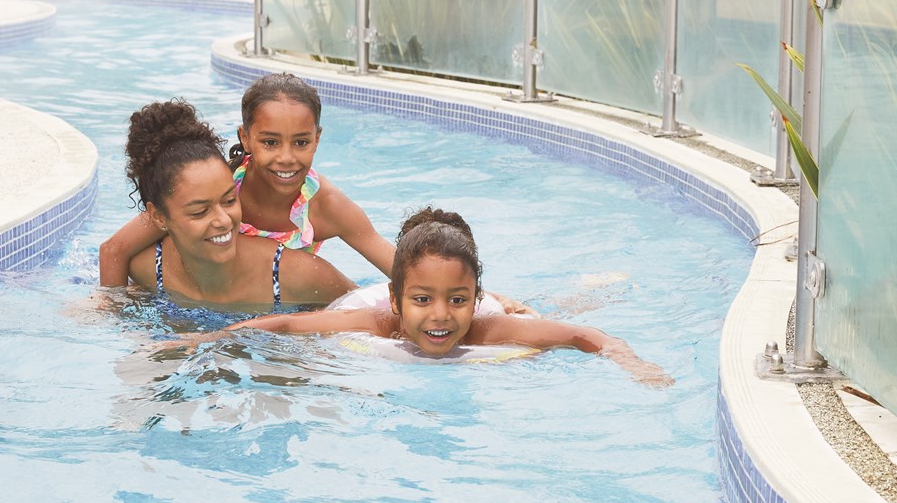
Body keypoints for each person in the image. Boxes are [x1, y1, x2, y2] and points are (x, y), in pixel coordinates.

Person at [223, 208, 674, 386]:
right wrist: (206, 341)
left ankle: (594, 287)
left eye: (457, 301)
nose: (441, 316)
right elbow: (284, 324)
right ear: (396, 302)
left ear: (475, 300)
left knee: (552, 307)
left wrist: (632, 362)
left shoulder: (489, 326)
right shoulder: (378, 321)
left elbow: (579, 334)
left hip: (505, 305)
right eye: (422, 300)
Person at [99, 72, 395, 285]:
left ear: (316, 140)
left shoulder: (327, 207)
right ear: (246, 137)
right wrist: (116, 312)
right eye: (270, 142)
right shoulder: (220, 189)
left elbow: (400, 270)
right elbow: (114, 249)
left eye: (301, 143)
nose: (287, 158)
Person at [117, 99, 356, 308]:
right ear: (158, 217)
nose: (223, 220)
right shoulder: (146, 270)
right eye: (200, 211)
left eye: (230, 200)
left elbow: (370, 309)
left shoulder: (298, 275)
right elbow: (113, 252)